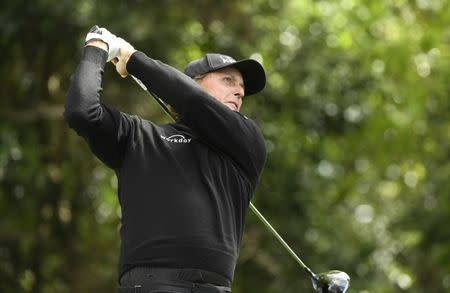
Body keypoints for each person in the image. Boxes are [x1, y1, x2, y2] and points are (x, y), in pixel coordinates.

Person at [65, 26, 267, 293]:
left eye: (242, 87)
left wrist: (132, 57)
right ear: (193, 82)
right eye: (228, 80)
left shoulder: (246, 142)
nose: (240, 92)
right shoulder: (138, 135)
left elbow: (193, 101)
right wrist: (96, 48)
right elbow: (82, 111)